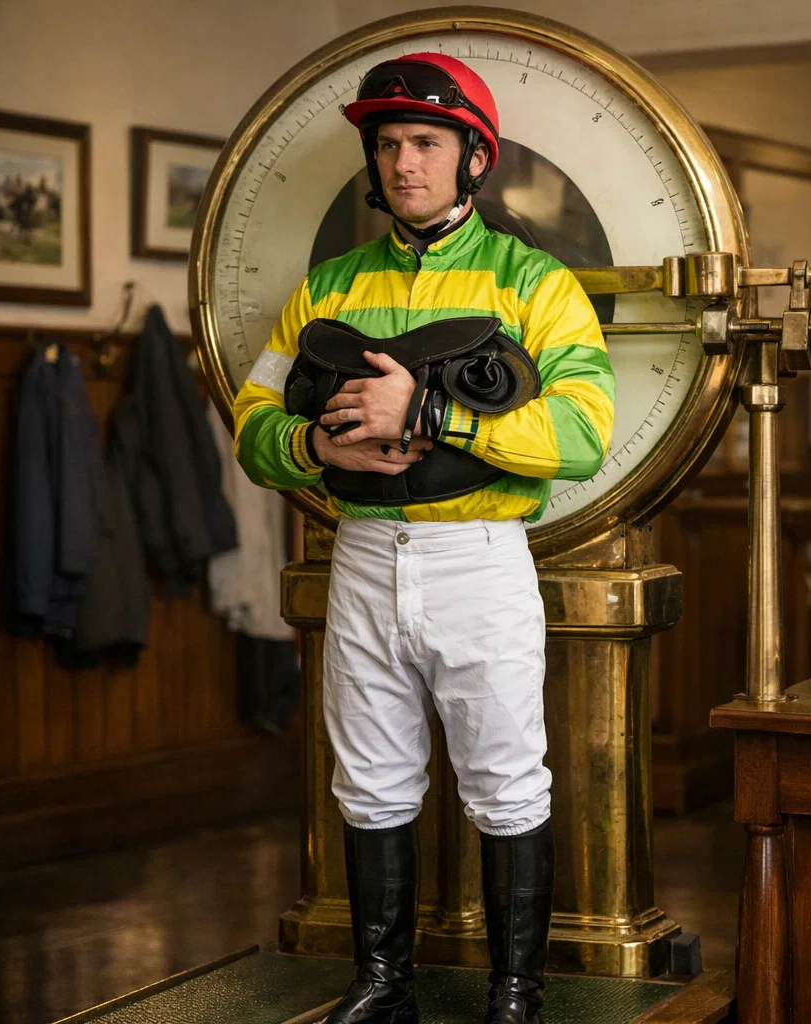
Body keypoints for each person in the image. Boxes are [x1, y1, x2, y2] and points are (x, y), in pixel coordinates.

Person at [229, 53, 614, 1024]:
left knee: (505, 777)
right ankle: (382, 983)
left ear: (474, 157)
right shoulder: (328, 286)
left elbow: (582, 434)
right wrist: (315, 440)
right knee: (367, 775)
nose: (405, 162)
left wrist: (435, 416)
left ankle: (516, 992)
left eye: (427, 143)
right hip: (361, 556)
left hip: (477, 558)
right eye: (390, 143)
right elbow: (250, 424)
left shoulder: (538, 283)